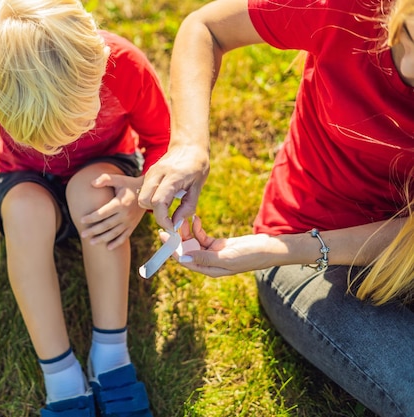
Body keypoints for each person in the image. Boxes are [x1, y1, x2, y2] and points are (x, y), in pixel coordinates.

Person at [137, 0, 414, 415]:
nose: (409, 64)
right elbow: (206, 27)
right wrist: (189, 143)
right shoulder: (352, 9)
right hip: (308, 249)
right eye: (408, 34)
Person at [0, 0, 170, 415]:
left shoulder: (125, 67)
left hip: (106, 170)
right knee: (24, 214)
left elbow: (163, 140)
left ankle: (111, 357)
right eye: (41, 135)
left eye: (70, 128)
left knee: (93, 193)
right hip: (25, 177)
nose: (57, 145)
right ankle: (61, 377)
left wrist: (140, 194)